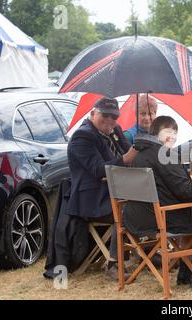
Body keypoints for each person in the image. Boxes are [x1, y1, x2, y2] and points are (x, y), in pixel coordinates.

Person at [123, 115, 192, 287]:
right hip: (163, 218)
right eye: (170, 133)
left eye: (175, 133)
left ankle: (186, 275)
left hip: (135, 218)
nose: (174, 137)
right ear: (160, 134)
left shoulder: (136, 155)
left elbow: (167, 186)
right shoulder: (165, 155)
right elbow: (185, 192)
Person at [66, 97, 138, 280]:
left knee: (147, 201)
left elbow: (131, 156)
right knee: (126, 210)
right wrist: (125, 159)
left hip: (116, 190)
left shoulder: (116, 130)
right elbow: (98, 170)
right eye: (105, 115)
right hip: (92, 198)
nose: (110, 120)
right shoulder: (82, 136)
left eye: (114, 117)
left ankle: (147, 252)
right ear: (92, 113)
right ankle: (113, 264)